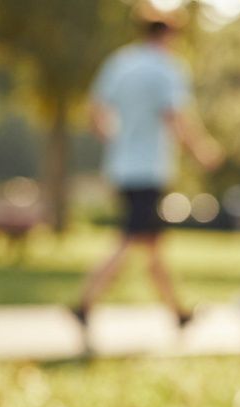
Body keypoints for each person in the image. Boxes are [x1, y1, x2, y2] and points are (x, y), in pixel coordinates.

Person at [73, 15, 221, 340]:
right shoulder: (166, 68)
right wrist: (201, 150)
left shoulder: (120, 63)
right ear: (168, 35)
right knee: (130, 240)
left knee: (153, 246)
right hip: (149, 169)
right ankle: (84, 303)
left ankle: (178, 312)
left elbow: (95, 111)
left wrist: (115, 136)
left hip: (121, 166)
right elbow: (175, 116)